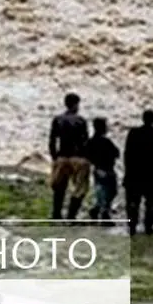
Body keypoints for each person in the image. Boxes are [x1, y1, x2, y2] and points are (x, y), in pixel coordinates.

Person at [123, 109, 153, 235]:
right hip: (151, 176)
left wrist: (127, 172)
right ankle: (149, 227)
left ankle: (132, 226)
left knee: (132, 203)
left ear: (143, 119)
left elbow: (127, 155)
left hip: (134, 175)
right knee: (150, 203)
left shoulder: (133, 134)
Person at [49, 92, 90, 220]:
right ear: (76, 105)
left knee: (59, 187)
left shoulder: (57, 119)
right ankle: (71, 216)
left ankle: (56, 214)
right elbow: (85, 141)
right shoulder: (81, 121)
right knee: (79, 188)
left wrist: (54, 156)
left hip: (62, 156)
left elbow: (52, 140)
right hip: (77, 157)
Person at [86, 117, 120, 225]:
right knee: (111, 191)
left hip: (97, 169)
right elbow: (117, 153)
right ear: (103, 128)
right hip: (108, 170)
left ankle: (97, 210)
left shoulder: (91, 141)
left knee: (101, 192)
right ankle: (104, 214)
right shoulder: (106, 141)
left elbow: (87, 155)